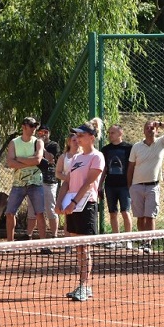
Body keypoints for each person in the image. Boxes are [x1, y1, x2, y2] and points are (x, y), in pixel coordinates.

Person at [59, 118, 106, 302]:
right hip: (72, 204)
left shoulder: (97, 157)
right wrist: (59, 202)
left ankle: (84, 285)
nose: (77, 138)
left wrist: (74, 202)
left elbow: (89, 182)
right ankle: (83, 284)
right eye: (76, 135)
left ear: (92, 137)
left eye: (82, 135)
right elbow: (68, 181)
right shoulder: (76, 158)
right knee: (78, 246)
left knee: (84, 246)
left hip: (86, 204)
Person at [127, 119, 164, 250]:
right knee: (140, 217)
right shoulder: (136, 146)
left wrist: (160, 123)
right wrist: (130, 186)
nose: (149, 129)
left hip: (153, 186)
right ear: (143, 131)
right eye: (147, 127)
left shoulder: (161, 142)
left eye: (152, 127)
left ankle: (148, 243)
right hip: (136, 186)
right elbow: (131, 167)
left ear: (156, 130)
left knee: (150, 216)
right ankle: (142, 242)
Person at [3, 117, 46, 244]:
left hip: (36, 183)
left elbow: (38, 160)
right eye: (31, 125)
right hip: (18, 184)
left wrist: (19, 159)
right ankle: (10, 243)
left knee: (39, 213)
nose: (34, 128)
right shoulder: (14, 143)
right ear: (24, 126)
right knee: (10, 213)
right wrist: (29, 161)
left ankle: (44, 244)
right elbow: (10, 162)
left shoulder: (38, 142)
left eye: (35, 126)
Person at [100, 124, 133, 245]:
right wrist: (100, 185)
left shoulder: (129, 148)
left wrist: (131, 183)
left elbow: (132, 167)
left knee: (125, 212)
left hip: (125, 185)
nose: (110, 135)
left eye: (112, 133)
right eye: (109, 133)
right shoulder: (105, 150)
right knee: (112, 213)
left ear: (120, 133)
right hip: (110, 185)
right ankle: (116, 240)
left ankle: (128, 239)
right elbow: (104, 169)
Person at [26, 124, 61, 239]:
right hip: (34, 180)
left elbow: (50, 159)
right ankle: (28, 235)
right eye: (40, 132)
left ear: (49, 133)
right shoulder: (32, 144)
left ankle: (54, 235)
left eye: (45, 132)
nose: (43, 134)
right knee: (32, 209)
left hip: (49, 180)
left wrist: (41, 147)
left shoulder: (53, 145)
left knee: (50, 208)